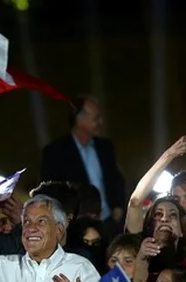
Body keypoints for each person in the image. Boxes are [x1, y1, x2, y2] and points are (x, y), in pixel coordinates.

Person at [41, 95, 126, 228]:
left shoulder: (105, 147)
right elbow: (51, 190)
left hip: (109, 222)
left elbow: (116, 179)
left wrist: (118, 207)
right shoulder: (56, 152)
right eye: (96, 118)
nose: (101, 122)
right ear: (79, 120)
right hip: (77, 226)